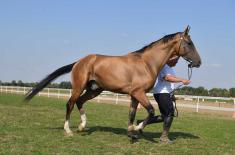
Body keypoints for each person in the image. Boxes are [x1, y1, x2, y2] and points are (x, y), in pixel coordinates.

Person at [136, 56, 190, 144]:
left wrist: (171, 94)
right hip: (162, 93)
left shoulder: (169, 68)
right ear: (170, 59)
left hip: (164, 93)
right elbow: (167, 78)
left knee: (165, 116)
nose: (176, 62)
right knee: (169, 114)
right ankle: (164, 138)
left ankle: (142, 123)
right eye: (175, 60)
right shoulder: (164, 66)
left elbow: (168, 83)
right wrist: (182, 80)